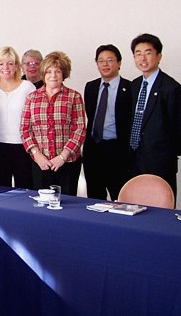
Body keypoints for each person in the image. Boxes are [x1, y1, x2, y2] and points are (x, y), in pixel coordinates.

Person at [20, 51, 86, 196]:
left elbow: (79, 129)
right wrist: (37, 155)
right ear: (43, 73)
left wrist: (62, 157)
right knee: (41, 205)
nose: (53, 75)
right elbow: (25, 129)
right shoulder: (32, 98)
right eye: (49, 71)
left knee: (67, 206)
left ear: (64, 73)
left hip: (68, 163)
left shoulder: (74, 97)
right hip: (40, 163)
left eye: (58, 71)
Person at [128, 33, 181, 194]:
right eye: (138, 54)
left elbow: (177, 128)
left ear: (159, 56)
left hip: (160, 161)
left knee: (160, 209)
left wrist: (167, 155)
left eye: (148, 53)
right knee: (135, 205)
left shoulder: (171, 88)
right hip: (135, 157)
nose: (143, 58)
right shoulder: (135, 85)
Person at [83, 44, 131, 201]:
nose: (105, 64)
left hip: (118, 151)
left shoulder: (130, 88)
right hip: (93, 150)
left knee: (121, 197)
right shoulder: (90, 87)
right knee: (95, 199)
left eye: (110, 60)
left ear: (119, 63)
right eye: (101, 60)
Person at [0, 46, 35, 188]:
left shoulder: (28, 87)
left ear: (17, 66)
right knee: (0, 192)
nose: (5, 67)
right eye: (1, 64)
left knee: (25, 190)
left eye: (10, 63)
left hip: (23, 147)